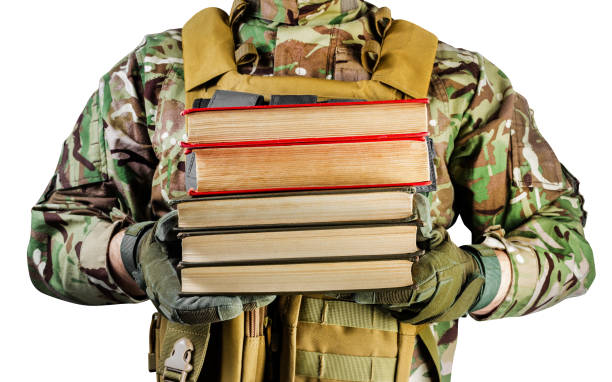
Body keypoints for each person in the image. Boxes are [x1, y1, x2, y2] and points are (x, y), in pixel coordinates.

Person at [26, 0, 595, 381]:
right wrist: (139, 255)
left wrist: (471, 277)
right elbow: (53, 240)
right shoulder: (155, 72)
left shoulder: (456, 81)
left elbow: (563, 244)